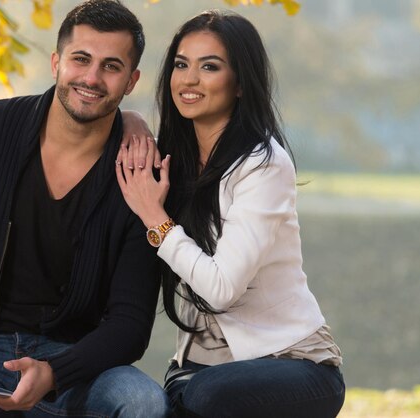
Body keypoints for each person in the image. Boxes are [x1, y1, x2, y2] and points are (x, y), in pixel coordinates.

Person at [0, 1, 170, 416]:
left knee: (143, 402)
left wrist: (55, 371)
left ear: (131, 81)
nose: (92, 78)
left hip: (79, 366)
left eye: (111, 66)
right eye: (81, 59)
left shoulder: (140, 171)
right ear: (57, 62)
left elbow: (130, 323)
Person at [116, 9, 346, 418]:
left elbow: (221, 288)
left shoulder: (263, 164)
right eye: (181, 64)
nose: (189, 79)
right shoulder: (175, 160)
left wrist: (156, 219)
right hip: (197, 371)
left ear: (240, 83)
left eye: (210, 67)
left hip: (291, 365)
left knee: (205, 396)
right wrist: (130, 121)